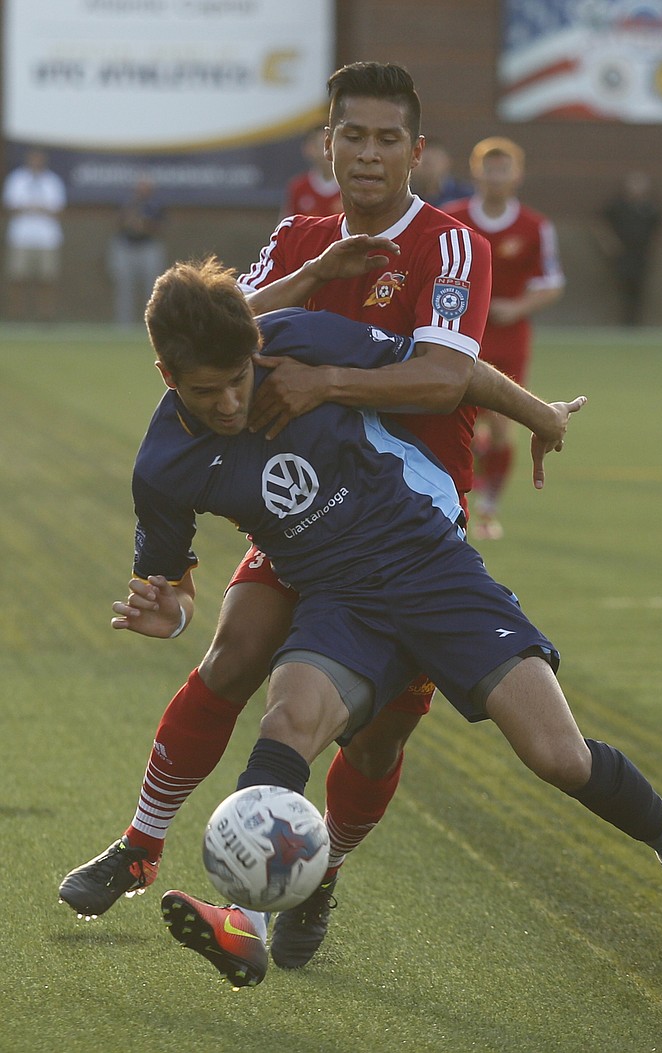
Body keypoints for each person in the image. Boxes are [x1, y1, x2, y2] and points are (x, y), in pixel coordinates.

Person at [108, 257, 662, 990]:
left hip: (430, 565)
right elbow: (172, 591)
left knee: (559, 756)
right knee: (287, 721)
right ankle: (246, 922)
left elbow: (448, 371)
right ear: (167, 376)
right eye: (210, 392)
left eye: (242, 378)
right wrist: (167, 617)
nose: (234, 401)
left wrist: (541, 415)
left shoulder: (293, 337)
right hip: (337, 599)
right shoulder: (163, 464)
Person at [58, 61, 573, 969]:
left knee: (375, 740)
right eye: (351, 135)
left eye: (385, 139)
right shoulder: (298, 233)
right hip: (296, 507)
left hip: (410, 519)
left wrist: (534, 413)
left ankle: (318, 872)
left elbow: (444, 371)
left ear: (414, 152)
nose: (367, 154)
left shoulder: (447, 246)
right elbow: (212, 331)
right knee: (232, 653)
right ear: (327, 143)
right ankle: (141, 845)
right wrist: (312, 272)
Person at [446, 137, 565, 540]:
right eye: (488, 168)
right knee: (454, 421)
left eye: (504, 168)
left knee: (500, 426)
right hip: (460, 333)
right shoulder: (452, 218)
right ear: (476, 172)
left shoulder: (534, 226)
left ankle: (489, 507)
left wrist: (516, 308)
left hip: (509, 339)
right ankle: (454, 501)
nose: (496, 176)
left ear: (518, 175)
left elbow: (551, 283)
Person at [2, 148, 67, 322]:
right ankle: (16, 315)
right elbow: (9, 206)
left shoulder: (52, 181)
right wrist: (28, 207)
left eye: (39, 159)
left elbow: (59, 210)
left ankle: (46, 316)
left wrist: (41, 209)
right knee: (17, 278)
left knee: (47, 279)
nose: (36, 162)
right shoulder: (16, 180)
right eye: (33, 159)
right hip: (20, 238)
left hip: (47, 239)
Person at [597, 171, 662, 327]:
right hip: (623, 254)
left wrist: (654, 248)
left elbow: (660, 228)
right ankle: (624, 321)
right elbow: (599, 224)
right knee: (622, 285)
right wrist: (608, 243)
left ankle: (635, 321)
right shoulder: (617, 206)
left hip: (641, 254)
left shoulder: (650, 208)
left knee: (639, 287)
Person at [108, 177, 167, 326]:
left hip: (148, 246)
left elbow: (161, 227)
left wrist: (144, 226)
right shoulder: (128, 203)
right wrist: (129, 221)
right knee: (124, 287)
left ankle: (152, 323)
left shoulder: (156, 205)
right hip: (127, 246)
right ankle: (124, 324)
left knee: (153, 288)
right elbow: (117, 222)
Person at [280, 126, 342, 219]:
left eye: (331, 145)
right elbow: (287, 228)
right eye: (322, 145)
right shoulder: (298, 188)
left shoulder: (351, 187)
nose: (327, 150)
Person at [409, 137, 471, 209]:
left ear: (448, 161)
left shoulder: (464, 196)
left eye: (435, 161)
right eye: (426, 163)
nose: (430, 168)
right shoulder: (408, 198)